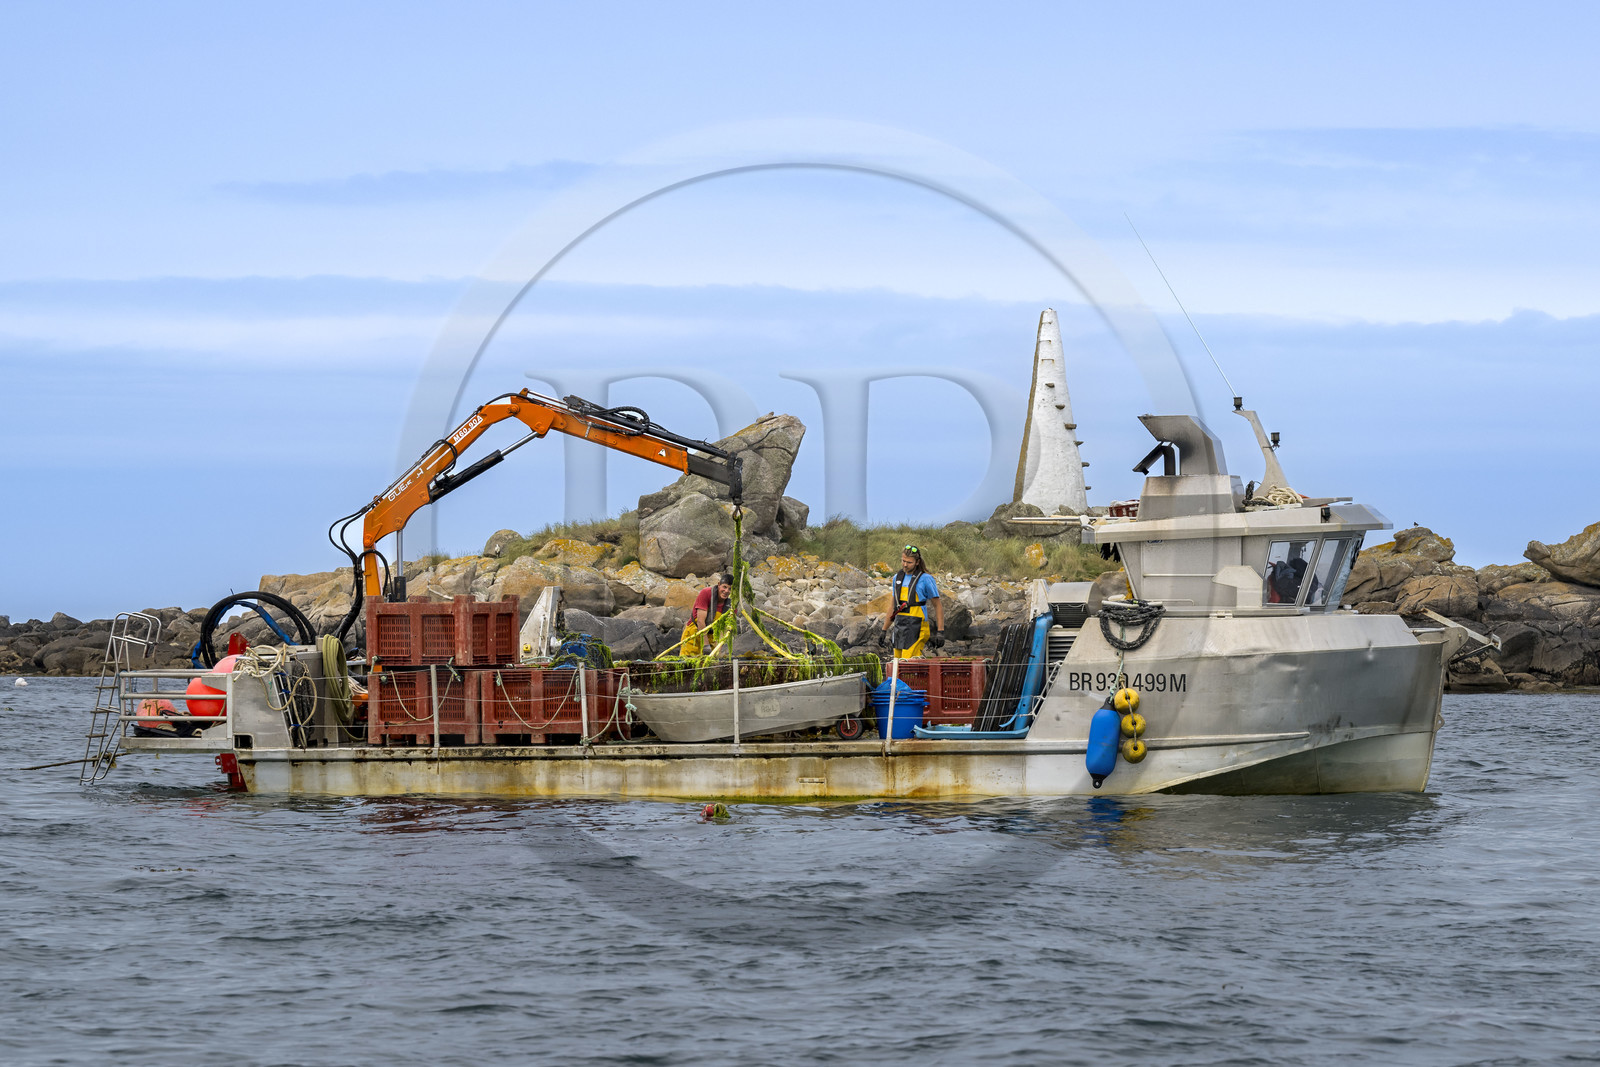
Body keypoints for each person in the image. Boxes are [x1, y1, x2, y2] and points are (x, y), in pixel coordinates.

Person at [878, 546, 944, 658]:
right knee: (897, 663)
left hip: (917, 626)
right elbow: (893, 606)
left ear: (917, 562)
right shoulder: (897, 578)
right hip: (900, 626)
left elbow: (937, 605)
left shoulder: (926, 579)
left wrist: (940, 631)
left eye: (909, 562)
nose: (905, 565)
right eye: (903, 561)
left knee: (909, 663)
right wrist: (884, 630)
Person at [681, 573, 733, 656]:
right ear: (719, 584)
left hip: (712, 638)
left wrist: (717, 650)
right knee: (687, 665)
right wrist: (706, 646)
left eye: (730, 589)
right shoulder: (706, 593)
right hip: (694, 634)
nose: (726, 591)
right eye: (724, 587)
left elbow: (723, 630)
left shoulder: (731, 605)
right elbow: (700, 621)